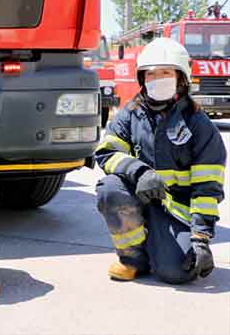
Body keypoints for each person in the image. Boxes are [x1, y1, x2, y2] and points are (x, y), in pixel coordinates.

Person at [95, 37, 226, 284]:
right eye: (151, 74)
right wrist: (139, 171)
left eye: (165, 72)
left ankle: (160, 246)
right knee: (109, 189)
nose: (157, 79)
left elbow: (207, 189)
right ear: (142, 78)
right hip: (138, 199)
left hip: (176, 210)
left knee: (178, 272)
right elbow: (106, 152)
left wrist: (200, 237)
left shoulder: (199, 125)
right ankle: (133, 258)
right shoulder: (130, 114)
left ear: (181, 77)